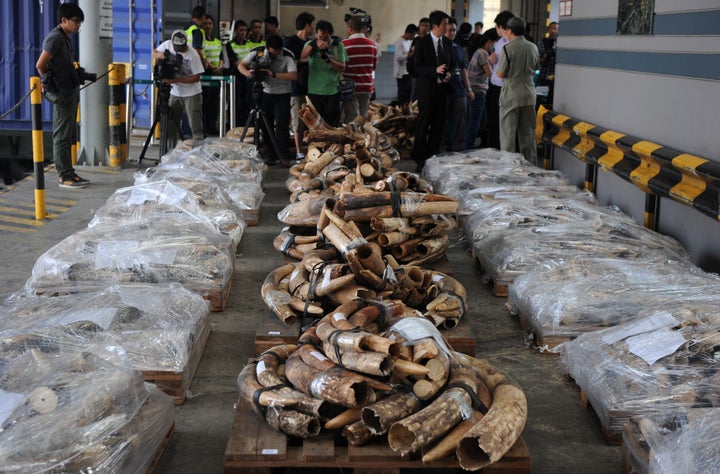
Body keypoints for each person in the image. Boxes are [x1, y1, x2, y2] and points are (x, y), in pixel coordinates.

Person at [36, 3, 90, 188]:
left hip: (68, 90)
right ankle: (65, 176)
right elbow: (40, 65)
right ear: (63, 20)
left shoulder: (64, 37)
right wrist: (47, 82)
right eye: (76, 21)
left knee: (67, 134)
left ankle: (70, 173)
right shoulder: (55, 39)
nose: (78, 25)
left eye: (80, 22)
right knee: (61, 136)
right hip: (61, 93)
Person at [239, 34, 297, 167]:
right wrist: (247, 73)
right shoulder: (257, 52)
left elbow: (293, 75)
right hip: (265, 92)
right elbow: (242, 65)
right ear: (267, 48)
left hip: (283, 93)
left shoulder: (288, 55)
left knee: (282, 125)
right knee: (265, 125)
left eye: (276, 55)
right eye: (271, 54)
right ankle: (269, 155)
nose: (274, 58)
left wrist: (273, 74)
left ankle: (283, 156)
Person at [411, 10, 456, 172]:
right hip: (426, 90)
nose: (448, 27)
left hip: (442, 90)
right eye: (445, 24)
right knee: (423, 125)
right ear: (436, 25)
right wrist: (434, 70)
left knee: (439, 126)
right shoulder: (422, 43)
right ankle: (419, 158)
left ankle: (433, 157)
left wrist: (449, 73)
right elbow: (416, 68)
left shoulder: (448, 43)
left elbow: (452, 64)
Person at [153, 30, 205, 149]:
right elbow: (153, 52)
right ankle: (169, 153)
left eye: (181, 47)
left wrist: (176, 80)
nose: (178, 49)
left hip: (192, 93)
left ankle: (200, 153)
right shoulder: (167, 45)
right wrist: (162, 55)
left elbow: (197, 77)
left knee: (195, 126)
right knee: (170, 125)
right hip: (174, 93)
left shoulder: (193, 55)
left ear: (186, 43)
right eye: (176, 47)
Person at [497, 17, 539, 163]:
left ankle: (508, 168)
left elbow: (501, 73)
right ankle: (531, 167)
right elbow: (535, 70)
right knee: (528, 135)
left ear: (510, 30)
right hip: (528, 93)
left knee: (508, 135)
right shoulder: (533, 47)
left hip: (511, 95)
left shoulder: (508, 48)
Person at [301, 20, 347, 127]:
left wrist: (329, 61)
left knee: (332, 124)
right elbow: (303, 55)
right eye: (320, 37)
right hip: (314, 90)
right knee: (314, 124)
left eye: (325, 38)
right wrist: (315, 44)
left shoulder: (338, 46)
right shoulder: (310, 44)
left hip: (332, 91)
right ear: (316, 34)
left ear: (331, 35)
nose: (323, 40)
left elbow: (342, 67)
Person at [284, 12, 315, 161]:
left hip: (313, 87)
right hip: (296, 88)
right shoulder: (289, 43)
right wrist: (303, 60)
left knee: (312, 121)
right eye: (312, 24)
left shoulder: (311, 43)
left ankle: (312, 150)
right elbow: (287, 63)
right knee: (297, 121)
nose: (313, 28)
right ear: (306, 25)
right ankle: (298, 151)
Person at [341, 15, 379, 123]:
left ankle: (354, 139)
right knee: (364, 116)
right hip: (367, 87)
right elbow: (374, 67)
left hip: (351, 88)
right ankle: (363, 139)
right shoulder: (372, 45)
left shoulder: (344, 45)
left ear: (350, 28)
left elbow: (342, 66)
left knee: (352, 117)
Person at [443, 18, 473, 152]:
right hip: (443, 91)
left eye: (454, 30)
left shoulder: (458, 48)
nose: (452, 33)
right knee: (443, 123)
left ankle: (458, 150)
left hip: (459, 91)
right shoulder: (439, 47)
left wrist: (468, 89)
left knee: (460, 123)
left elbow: (463, 70)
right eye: (449, 30)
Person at [486, 10, 514, 150]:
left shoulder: (512, 44)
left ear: (502, 27)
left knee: (502, 124)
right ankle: (494, 150)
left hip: (505, 88)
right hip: (495, 87)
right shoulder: (499, 43)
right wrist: (491, 60)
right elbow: (494, 62)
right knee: (493, 121)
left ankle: (500, 152)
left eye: (497, 26)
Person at [466, 28, 498, 149]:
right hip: (477, 92)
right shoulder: (483, 53)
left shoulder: (479, 52)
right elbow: (491, 75)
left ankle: (477, 146)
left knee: (482, 122)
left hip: (477, 91)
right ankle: (468, 149)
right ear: (490, 41)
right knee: (474, 124)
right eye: (495, 43)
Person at [226, 21, 254, 125]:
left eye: (245, 30)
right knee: (235, 100)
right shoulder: (230, 44)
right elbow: (233, 61)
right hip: (236, 75)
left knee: (247, 100)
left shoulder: (250, 44)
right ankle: (233, 123)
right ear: (236, 31)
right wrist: (244, 68)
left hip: (248, 75)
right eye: (240, 30)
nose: (243, 32)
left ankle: (245, 123)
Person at [202, 15, 223, 136]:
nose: (208, 26)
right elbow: (203, 57)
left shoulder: (217, 41)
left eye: (210, 24)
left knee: (214, 102)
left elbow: (220, 57)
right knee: (204, 101)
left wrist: (219, 66)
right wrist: (211, 67)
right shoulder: (202, 41)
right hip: (206, 72)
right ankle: (203, 127)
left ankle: (212, 126)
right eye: (206, 24)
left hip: (216, 74)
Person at [393, 23, 418, 105]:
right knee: (403, 95)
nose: (413, 37)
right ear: (409, 33)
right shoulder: (399, 42)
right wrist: (409, 55)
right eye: (413, 35)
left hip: (407, 72)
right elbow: (398, 57)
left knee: (408, 94)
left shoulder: (408, 42)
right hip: (401, 73)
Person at [537, 21, 558, 107]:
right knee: (542, 99)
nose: (553, 31)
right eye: (551, 28)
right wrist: (546, 57)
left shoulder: (561, 44)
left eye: (555, 29)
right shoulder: (542, 43)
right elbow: (537, 58)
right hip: (544, 76)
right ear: (548, 30)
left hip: (556, 78)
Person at [184, 5, 208, 70]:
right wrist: (203, 61)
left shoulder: (186, 28)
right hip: (194, 62)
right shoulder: (197, 30)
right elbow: (197, 49)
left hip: (185, 61)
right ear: (203, 17)